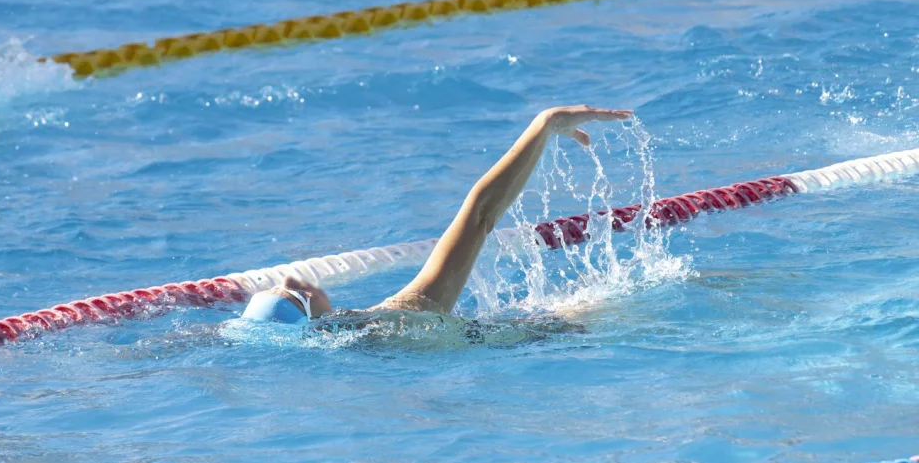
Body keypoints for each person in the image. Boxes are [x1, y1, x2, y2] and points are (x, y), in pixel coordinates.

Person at [241, 104, 633, 323]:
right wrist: (543, 126)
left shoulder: (367, 339)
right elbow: (480, 213)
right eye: (294, 292)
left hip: (504, 351)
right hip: (550, 339)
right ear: (311, 316)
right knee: (606, 305)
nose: (293, 276)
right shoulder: (397, 318)